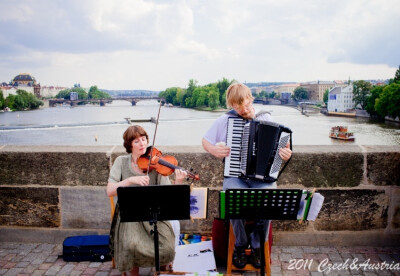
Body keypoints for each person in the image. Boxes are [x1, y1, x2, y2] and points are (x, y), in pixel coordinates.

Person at [202, 83, 292, 268]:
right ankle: (240, 245)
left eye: (243, 104)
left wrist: (286, 153)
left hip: (262, 178)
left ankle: (258, 246)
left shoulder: (265, 116)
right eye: (236, 106)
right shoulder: (225, 120)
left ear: (250, 98)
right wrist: (213, 150)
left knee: (269, 198)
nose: (241, 109)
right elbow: (205, 140)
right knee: (233, 198)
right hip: (235, 175)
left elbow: (284, 145)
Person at [107, 125, 187, 276]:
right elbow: (110, 190)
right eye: (136, 141)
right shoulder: (121, 162)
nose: (142, 143)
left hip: (154, 214)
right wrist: (130, 180)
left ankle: (163, 271)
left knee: (167, 247)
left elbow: (169, 197)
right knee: (131, 245)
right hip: (129, 214)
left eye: (143, 139)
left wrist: (178, 182)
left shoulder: (157, 165)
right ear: (129, 145)